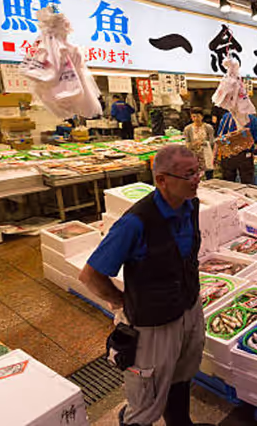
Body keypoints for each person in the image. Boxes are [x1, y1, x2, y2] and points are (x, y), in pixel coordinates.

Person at [79, 146, 208, 426]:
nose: (197, 178)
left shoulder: (190, 205)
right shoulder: (135, 222)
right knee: (146, 399)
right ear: (162, 180)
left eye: (198, 171)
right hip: (154, 324)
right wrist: (122, 302)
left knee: (182, 376)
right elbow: (90, 275)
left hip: (188, 308)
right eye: (189, 174)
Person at [216, 110, 257, 185]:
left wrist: (214, 155)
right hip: (242, 156)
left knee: (229, 184)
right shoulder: (252, 119)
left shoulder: (227, 117)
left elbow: (219, 139)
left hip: (231, 156)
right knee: (246, 184)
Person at [183, 107, 216, 180]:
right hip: (194, 155)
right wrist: (192, 144)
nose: (196, 119)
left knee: (209, 176)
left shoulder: (208, 127)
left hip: (206, 154)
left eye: (198, 116)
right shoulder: (188, 129)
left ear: (202, 117)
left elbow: (212, 141)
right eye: (193, 117)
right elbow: (187, 142)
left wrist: (203, 143)